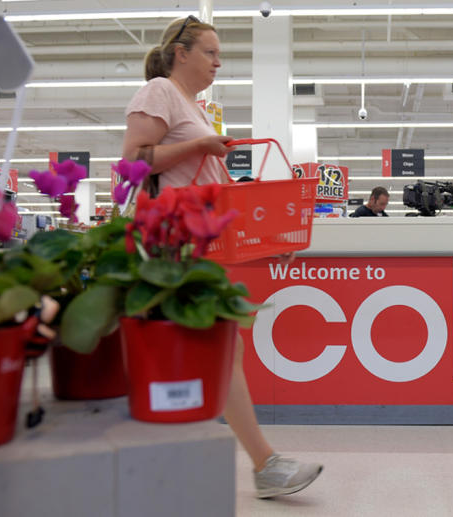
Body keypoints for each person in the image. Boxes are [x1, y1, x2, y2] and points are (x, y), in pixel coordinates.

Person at [122, 16, 322, 499]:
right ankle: (262, 465)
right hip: (168, 246)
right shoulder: (159, 91)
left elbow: (220, 192)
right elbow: (133, 162)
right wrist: (200, 144)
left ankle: (250, 464)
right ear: (181, 53)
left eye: (219, 55)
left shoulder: (195, 107)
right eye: (210, 52)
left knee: (220, 350)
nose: (218, 62)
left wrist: (275, 233)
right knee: (220, 350)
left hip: (195, 245)